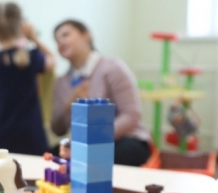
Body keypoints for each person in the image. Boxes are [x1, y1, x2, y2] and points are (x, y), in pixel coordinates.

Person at [51, 20, 151, 166]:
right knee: (52, 155)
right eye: (56, 40)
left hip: (125, 139)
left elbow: (132, 116)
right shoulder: (62, 82)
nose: (60, 42)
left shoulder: (113, 67)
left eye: (65, 35)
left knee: (97, 158)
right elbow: (57, 130)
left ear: (86, 35)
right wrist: (67, 106)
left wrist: (95, 136)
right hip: (84, 145)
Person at [0, 2, 55, 155]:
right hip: (30, 134)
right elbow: (52, 61)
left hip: (1, 135)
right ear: (21, 25)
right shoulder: (31, 56)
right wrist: (34, 38)